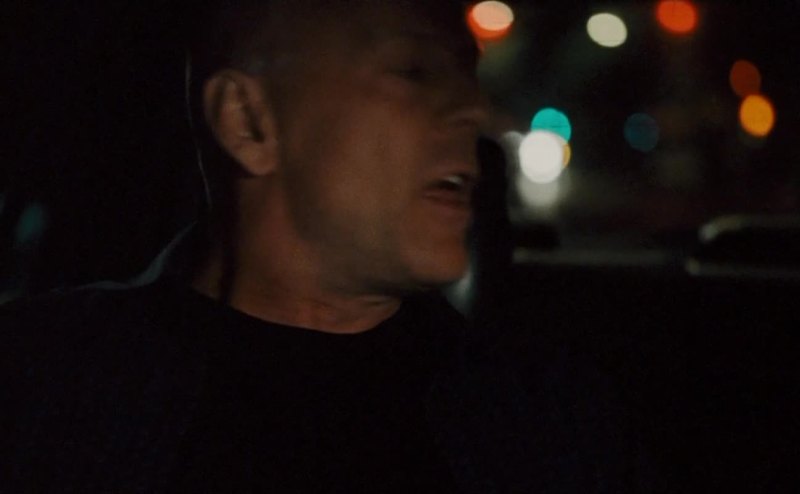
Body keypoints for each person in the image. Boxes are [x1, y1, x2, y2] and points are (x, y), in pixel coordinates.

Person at [1, 0, 658, 492]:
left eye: (467, 75)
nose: (473, 110)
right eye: (413, 71)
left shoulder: (548, 419)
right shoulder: (42, 388)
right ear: (248, 121)